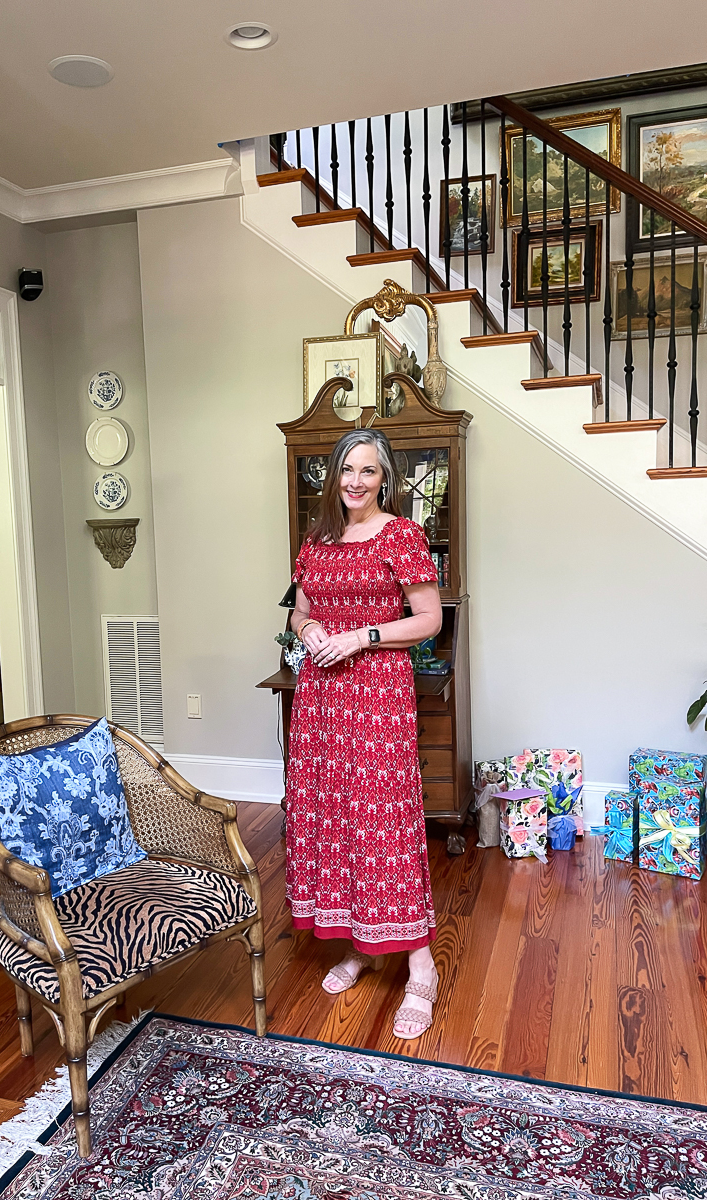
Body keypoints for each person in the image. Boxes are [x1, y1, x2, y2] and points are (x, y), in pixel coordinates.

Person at [284, 427, 442, 1040]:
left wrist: (363, 635)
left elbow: (428, 618)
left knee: (384, 818)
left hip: (377, 693)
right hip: (321, 697)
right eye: (347, 470)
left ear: (385, 478)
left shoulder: (400, 534)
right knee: (336, 817)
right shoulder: (317, 540)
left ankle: (419, 964)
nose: (355, 482)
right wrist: (312, 631)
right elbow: (299, 609)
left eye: (368, 472)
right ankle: (362, 941)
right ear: (334, 474)